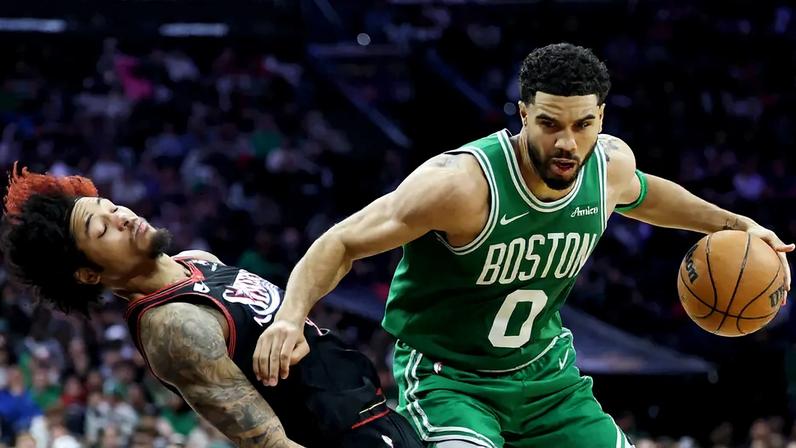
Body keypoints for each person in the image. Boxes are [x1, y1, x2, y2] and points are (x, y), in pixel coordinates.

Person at [254, 43, 794, 448]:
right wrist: (290, 317)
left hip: (548, 379)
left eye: (583, 125)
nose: (566, 142)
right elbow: (342, 241)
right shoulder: (460, 185)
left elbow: (649, 195)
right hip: (451, 380)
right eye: (549, 123)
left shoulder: (608, 166)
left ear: (601, 119)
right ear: (522, 115)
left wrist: (733, 223)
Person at [0, 164, 423, 448]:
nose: (122, 216)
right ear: (88, 273)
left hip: (376, 415)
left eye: (111, 206)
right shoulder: (172, 326)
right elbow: (270, 444)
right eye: (102, 228)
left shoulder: (197, 261)